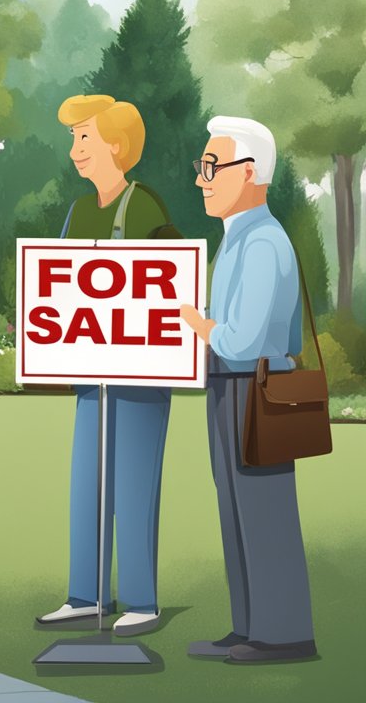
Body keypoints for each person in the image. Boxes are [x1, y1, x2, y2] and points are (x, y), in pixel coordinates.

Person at [37, 94, 180, 637]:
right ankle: (86, 594)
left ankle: (142, 600)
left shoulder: (145, 207)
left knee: (134, 483)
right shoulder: (78, 211)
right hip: (89, 374)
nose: (75, 150)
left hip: (140, 378)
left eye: (84, 138)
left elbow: (169, 284)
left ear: (116, 147)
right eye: (73, 138)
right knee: (88, 483)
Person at [179, 116, 317, 663]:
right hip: (229, 387)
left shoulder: (263, 242)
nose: (202, 179)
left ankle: (283, 634)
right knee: (235, 508)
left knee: (264, 511)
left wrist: (196, 322)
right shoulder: (236, 239)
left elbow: (241, 338)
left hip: (255, 388)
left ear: (251, 172)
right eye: (202, 166)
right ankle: (250, 627)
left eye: (212, 167)